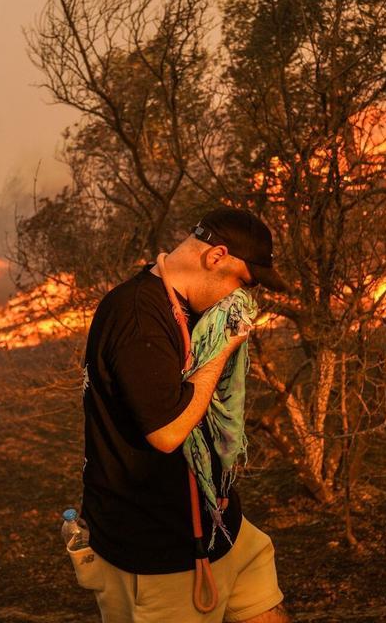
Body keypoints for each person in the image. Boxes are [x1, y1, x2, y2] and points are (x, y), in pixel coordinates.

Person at [72, 206, 292, 623]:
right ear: (216, 257)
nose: (243, 299)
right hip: (160, 553)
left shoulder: (194, 308)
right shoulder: (137, 316)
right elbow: (168, 431)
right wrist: (223, 349)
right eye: (242, 283)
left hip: (223, 528)